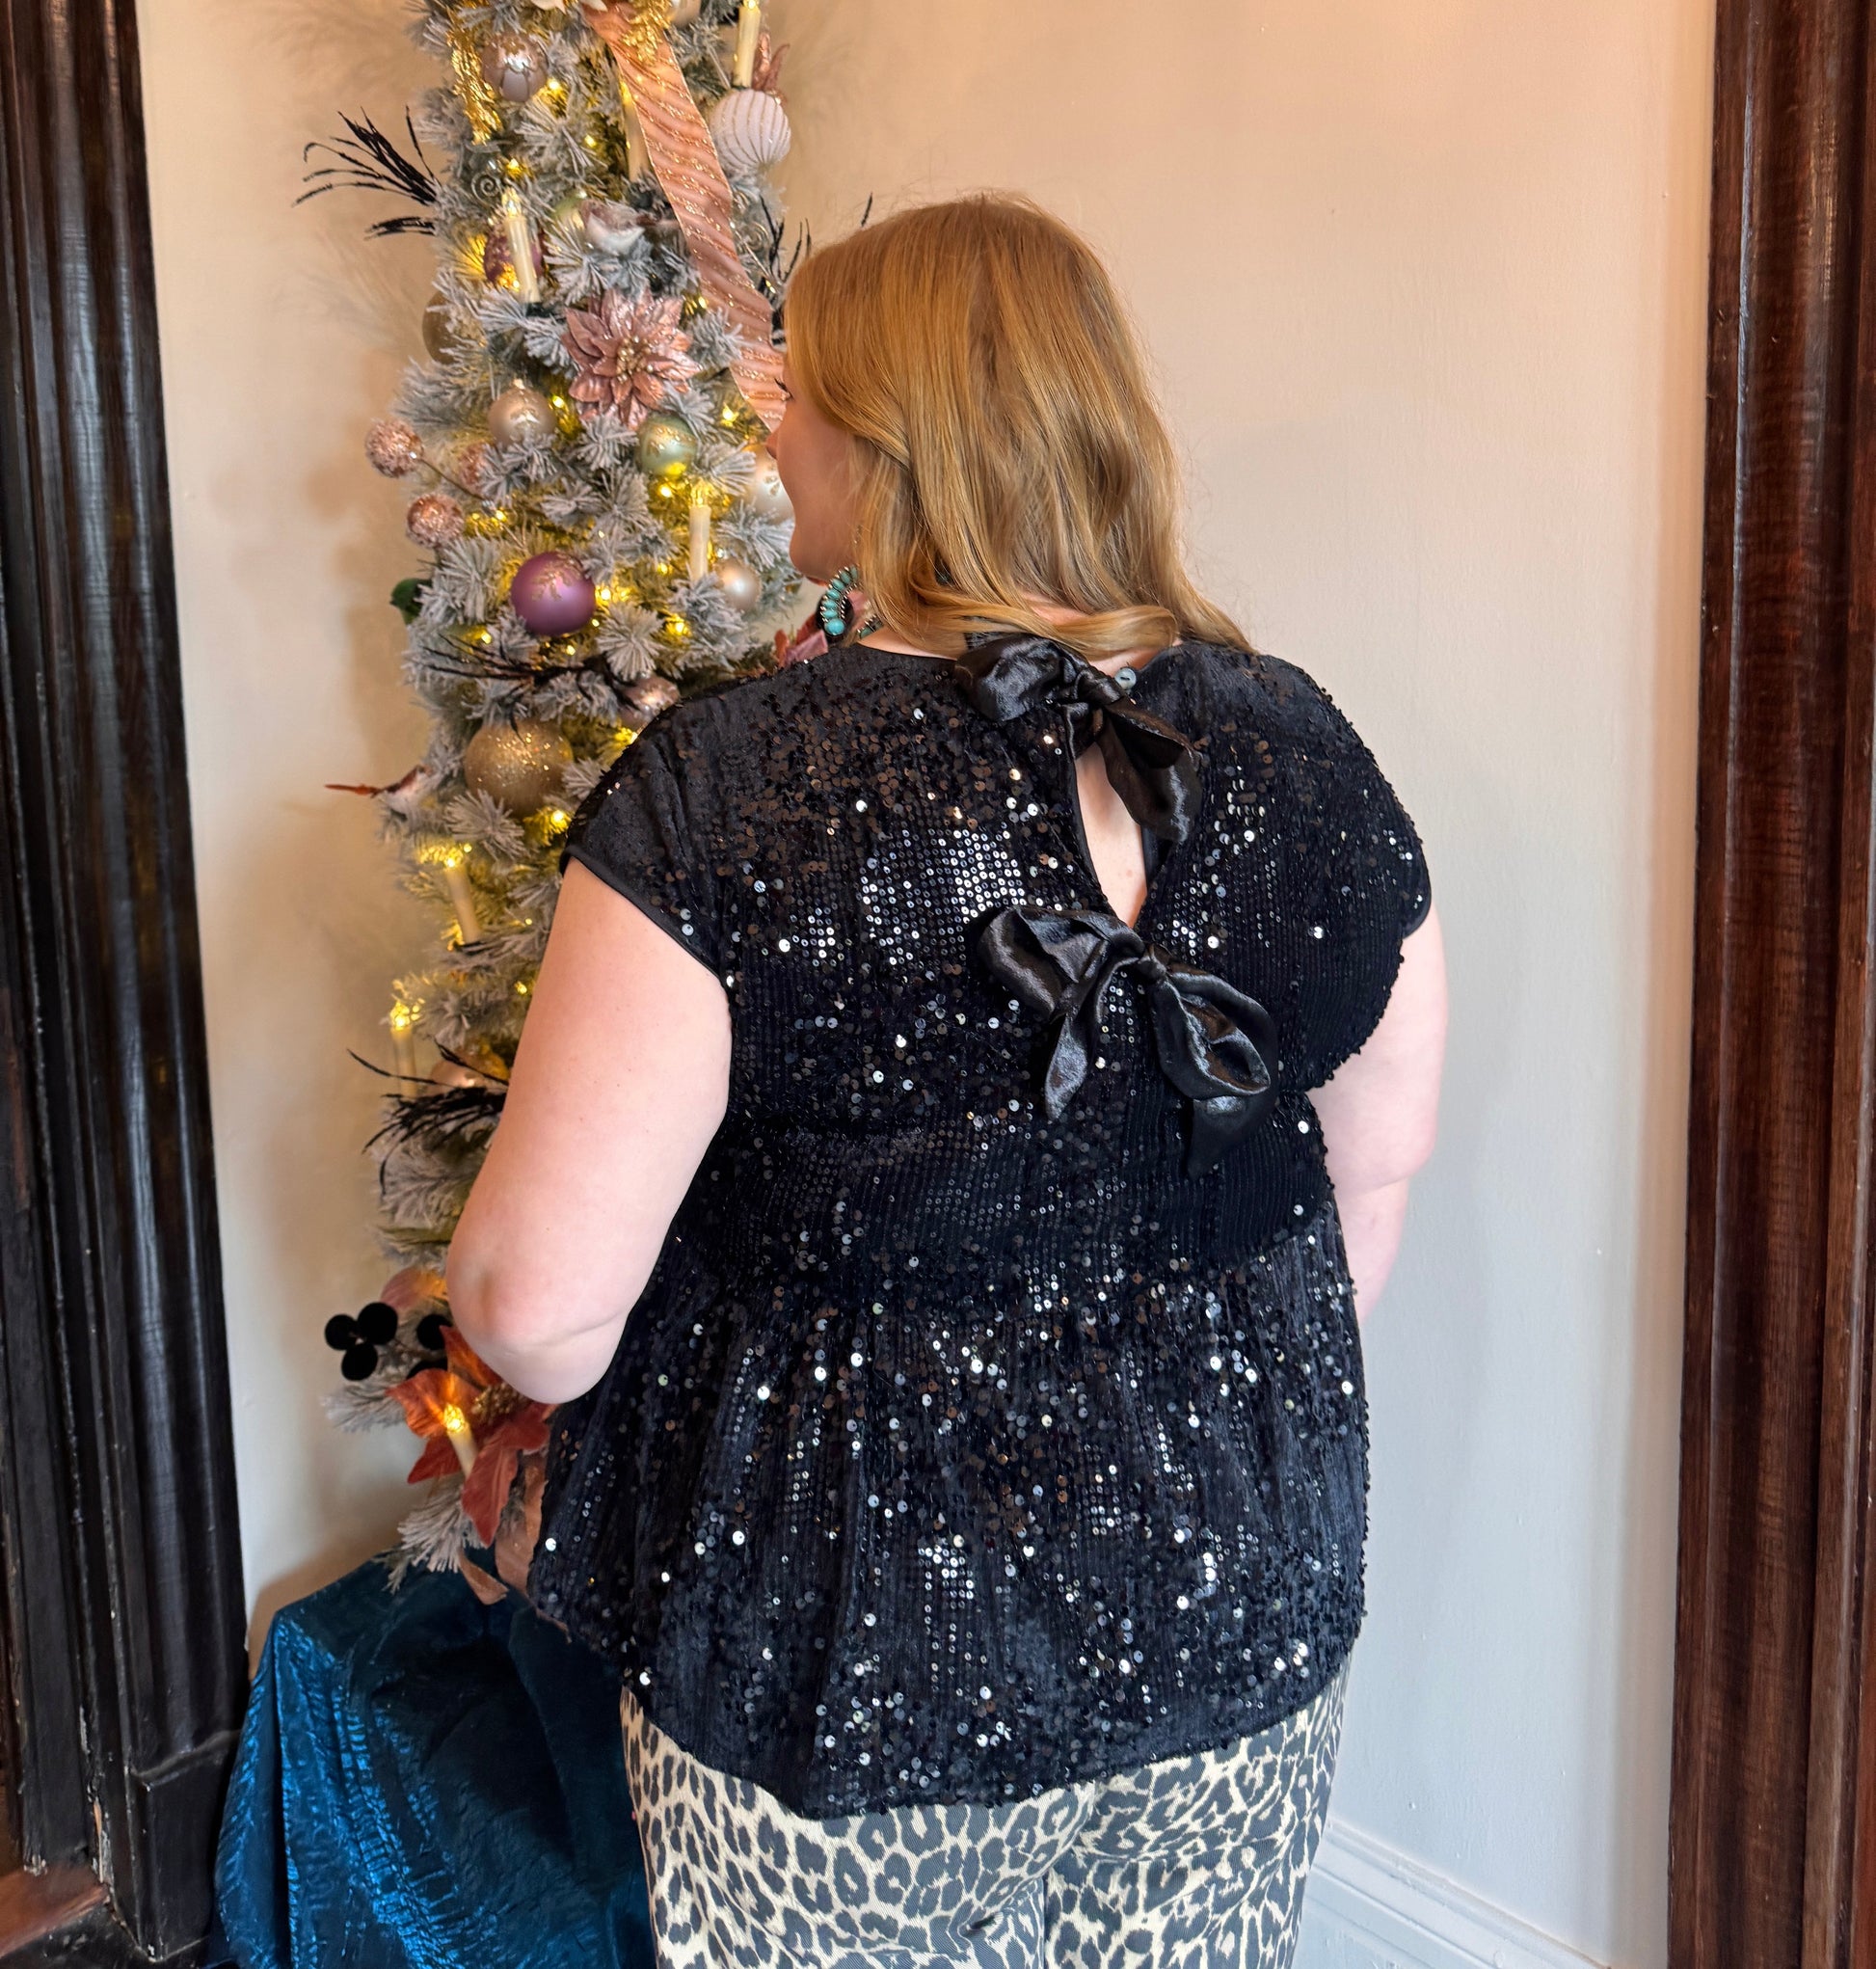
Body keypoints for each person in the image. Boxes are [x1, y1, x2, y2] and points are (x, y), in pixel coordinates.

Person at [448, 194, 1447, 1969]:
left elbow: (537, 1309)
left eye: (796, 391)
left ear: (886, 439)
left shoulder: (732, 786)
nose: (768, 426)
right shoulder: (1302, 739)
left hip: (845, 1640)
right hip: (1233, 1579)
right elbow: (1379, 1157)